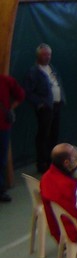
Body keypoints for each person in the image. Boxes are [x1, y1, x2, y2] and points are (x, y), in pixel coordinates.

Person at [24, 43, 65, 173]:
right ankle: (42, 164)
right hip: (45, 108)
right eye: (44, 55)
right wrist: (39, 104)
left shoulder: (52, 68)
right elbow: (28, 92)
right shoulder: (34, 72)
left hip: (57, 105)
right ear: (38, 56)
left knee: (54, 134)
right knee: (43, 136)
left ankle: (53, 161)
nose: (47, 57)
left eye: (49, 55)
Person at [40, 143, 77, 249]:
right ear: (66, 163)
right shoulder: (68, 185)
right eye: (76, 159)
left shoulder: (46, 178)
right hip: (76, 233)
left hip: (59, 231)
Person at [0, 73, 24, 202]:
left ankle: (0, 189)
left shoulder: (6, 81)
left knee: (1, 159)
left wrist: (9, 108)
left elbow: (20, 95)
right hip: (3, 126)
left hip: (2, 126)